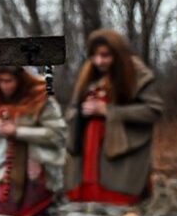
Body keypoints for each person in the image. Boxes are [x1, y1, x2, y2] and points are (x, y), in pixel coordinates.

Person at [66, 29, 164, 205]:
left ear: (117, 53)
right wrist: (82, 112)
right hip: (89, 144)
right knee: (89, 199)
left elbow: (153, 110)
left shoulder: (135, 72)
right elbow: (71, 110)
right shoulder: (88, 74)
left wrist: (108, 111)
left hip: (120, 145)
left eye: (105, 55)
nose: (99, 61)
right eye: (94, 56)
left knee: (116, 199)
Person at [0, 66, 66, 216]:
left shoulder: (42, 100)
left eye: (9, 81)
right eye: (0, 81)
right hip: (2, 172)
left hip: (34, 172)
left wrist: (18, 131)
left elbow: (57, 134)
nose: (4, 85)